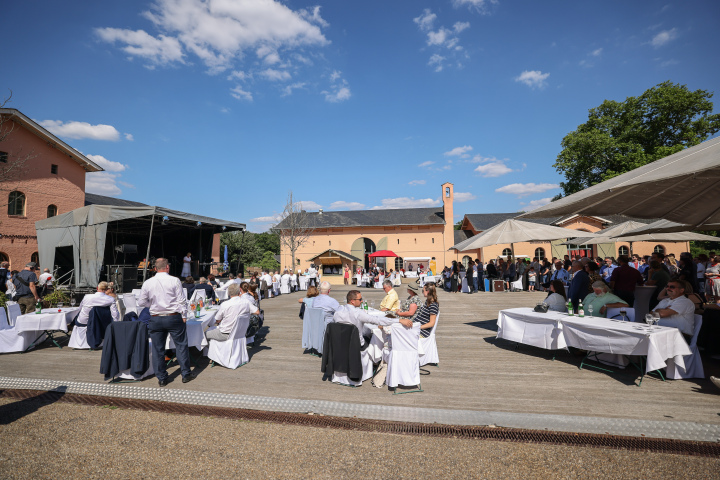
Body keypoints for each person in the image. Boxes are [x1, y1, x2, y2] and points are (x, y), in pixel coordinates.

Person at [137, 257, 194, 387]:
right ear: (167, 267)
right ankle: (185, 374)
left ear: (155, 268)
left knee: (158, 349)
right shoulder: (174, 280)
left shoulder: (148, 282)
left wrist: (151, 304)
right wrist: (184, 314)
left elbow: (140, 302)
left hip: (156, 317)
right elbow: (181, 300)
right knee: (181, 346)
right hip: (173, 316)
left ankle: (162, 378)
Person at [333, 290, 412, 349]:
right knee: (372, 338)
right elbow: (378, 320)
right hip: (356, 345)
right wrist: (399, 320)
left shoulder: (338, 311)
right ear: (352, 301)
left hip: (340, 343)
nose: (362, 301)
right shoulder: (358, 313)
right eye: (360, 299)